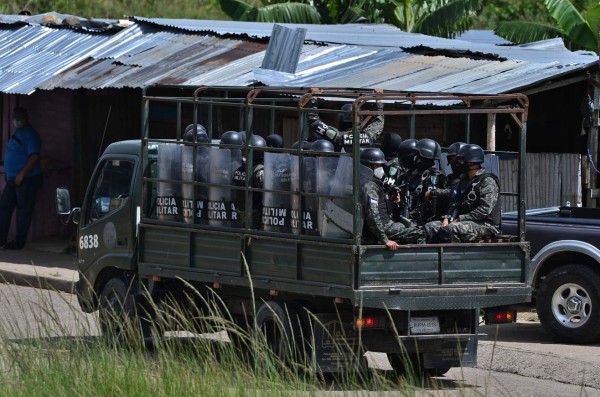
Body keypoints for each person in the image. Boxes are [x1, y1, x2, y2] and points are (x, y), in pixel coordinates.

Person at [424, 144, 501, 243]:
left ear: (471, 162)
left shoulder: (487, 181)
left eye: (461, 160)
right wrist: (447, 219)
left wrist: (460, 219)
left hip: (486, 225)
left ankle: (453, 256)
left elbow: (484, 210)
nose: (458, 163)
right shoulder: (463, 181)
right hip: (464, 221)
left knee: (450, 229)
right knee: (430, 227)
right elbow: (454, 204)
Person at [360, 148, 425, 250]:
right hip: (383, 227)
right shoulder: (370, 186)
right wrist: (385, 240)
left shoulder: (365, 182)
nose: (381, 168)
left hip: (383, 224)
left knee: (410, 225)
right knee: (420, 233)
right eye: (378, 165)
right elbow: (373, 215)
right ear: (369, 167)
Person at [0, 107, 42, 250]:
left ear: (26, 117)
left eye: (20, 117)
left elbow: (34, 156)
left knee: (23, 211)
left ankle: (19, 242)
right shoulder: (18, 133)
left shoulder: (31, 135)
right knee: (4, 208)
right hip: (12, 179)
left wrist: (22, 174)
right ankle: (1, 239)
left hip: (26, 179)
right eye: (15, 117)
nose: (17, 120)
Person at [307, 88, 384, 152]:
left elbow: (314, 122)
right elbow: (379, 121)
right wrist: (379, 100)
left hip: (342, 170)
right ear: (360, 119)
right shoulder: (369, 136)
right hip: (363, 170)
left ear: (340, 119)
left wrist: (313, 98)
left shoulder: (338, 137)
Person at [406, 138, 446, 225]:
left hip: (425, 221)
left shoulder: (435, 175)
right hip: (411, 216)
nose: (415, 158)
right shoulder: (416, 172)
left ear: (424, 156)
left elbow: (430, 202)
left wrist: (412, 215)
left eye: (418, 155)